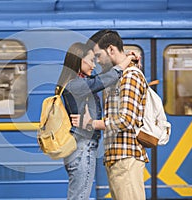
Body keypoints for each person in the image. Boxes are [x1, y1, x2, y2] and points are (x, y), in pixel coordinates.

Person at [71, 30, 149, 200]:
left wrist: (91, 123)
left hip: (125, 157)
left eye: (98, 55)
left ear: (111, 49)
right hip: (117, 157)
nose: (97, 61)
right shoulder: (120, 76)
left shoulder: (130, 77)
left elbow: (126, 120)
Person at [57, 42, 136, 200]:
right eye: (91, 60)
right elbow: (103, 80)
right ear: (79, 60)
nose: (94, 65)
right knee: (80, 197)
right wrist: (127, 59)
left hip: (81, 147)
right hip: (82, 147)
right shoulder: (75, 84)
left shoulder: (76, 82)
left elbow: (101, 78)